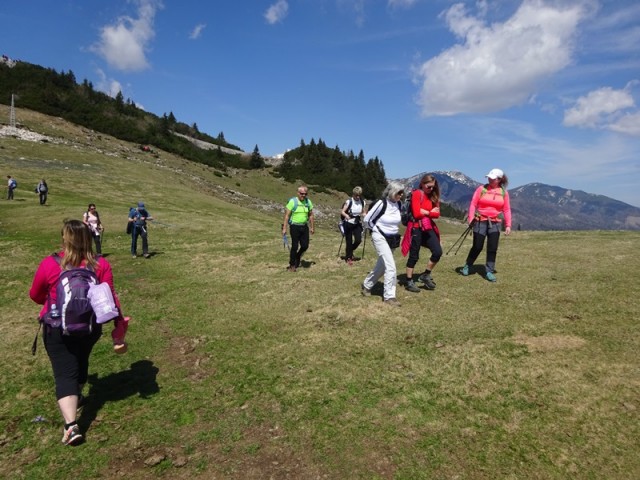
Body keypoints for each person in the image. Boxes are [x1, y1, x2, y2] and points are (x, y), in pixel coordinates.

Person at [29, 219, 127, 446]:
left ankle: (71, 426)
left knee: (64, 373)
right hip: (90, 327)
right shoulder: (101, 264)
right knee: (81, 361)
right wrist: (119, 327)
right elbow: (110, 298)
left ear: (65, 238)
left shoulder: (51, 263)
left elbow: (35, 295)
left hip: (56, 327)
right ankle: (78, 393)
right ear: (89, 239)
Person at [461, 168, 512, 282]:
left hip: (495, 223)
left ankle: (489, 271)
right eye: (489, 177)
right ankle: (468, 265)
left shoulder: (504, 193)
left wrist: (508, 225)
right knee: (477, 246)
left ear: (499, 180)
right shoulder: (481, 189)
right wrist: (471, 218)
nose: (489, 179)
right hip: (480, 220)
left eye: (492, 178)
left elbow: (507, 209)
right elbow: (473, 204)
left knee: (492, 248)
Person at [361, 181, 405, 307]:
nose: (401, 195)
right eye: (399, 192)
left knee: (383, 265)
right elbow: (367, 219)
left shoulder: (399, 204)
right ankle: (389, 297)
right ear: (391, 191)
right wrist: (375, 230)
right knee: (391, 266)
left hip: (392, 238)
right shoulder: (381, 203)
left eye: (402, 193)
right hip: (379, 236)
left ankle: (367, 285)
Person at [402, 174, 443, 292]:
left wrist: (425, 212)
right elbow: (416, 214)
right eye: (428, 187)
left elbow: (437, 214)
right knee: (414, 255)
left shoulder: (434, 196)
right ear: (422, 184)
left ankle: (426, 274)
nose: (430, 189)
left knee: (437, 251)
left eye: (433, 187)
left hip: (427, 227)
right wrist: (430, 212)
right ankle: (409, 281)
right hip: (416, 227)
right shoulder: (417, 194)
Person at [282, 186, 315, 272]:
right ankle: (292, 265)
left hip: (304, 226)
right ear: (298, 193)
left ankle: (297, 256)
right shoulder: (293, 202)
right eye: (301, 194)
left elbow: (311, 215)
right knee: (295, 246)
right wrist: (284, 228)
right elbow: (287, 216)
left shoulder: (308, 202)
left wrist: (312, 227)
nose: (303, 195)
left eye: (305, 194)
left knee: (305, 246)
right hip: (294, 226)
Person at [340, 186, 367, 265]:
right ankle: (348, 257)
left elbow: (363, 212)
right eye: (356, 195)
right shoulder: (349, 201)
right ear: (353, 194)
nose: (358, 196)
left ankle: (349, 251)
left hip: (357, 222)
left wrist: (365, 215)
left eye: (359, 195)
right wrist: (346, 215)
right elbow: (342, 212)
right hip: (348, 223)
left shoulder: (362, 202)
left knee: (358, 240)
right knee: (349, 241)